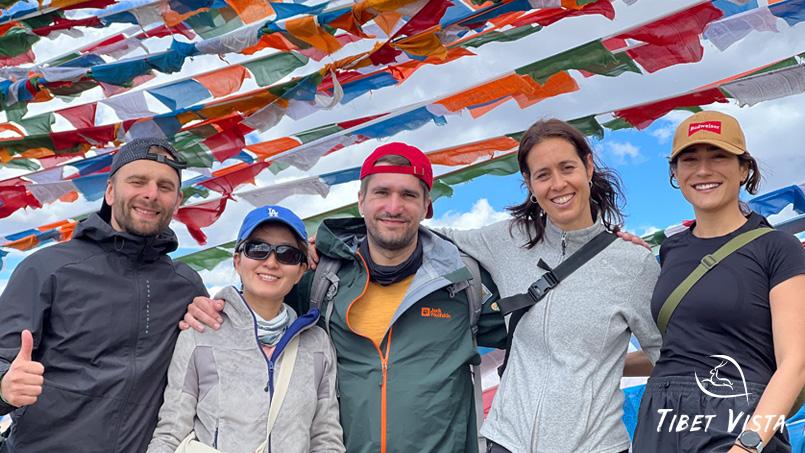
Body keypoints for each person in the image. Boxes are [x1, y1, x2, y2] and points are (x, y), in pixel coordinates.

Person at [184, 142, 507, 453]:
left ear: (426, 206)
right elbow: (258, 310)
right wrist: (211, 310)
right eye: (382, 192)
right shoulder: (319, 280)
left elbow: (538, 339)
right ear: (361, 200)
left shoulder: (463, 284)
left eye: (408, 195)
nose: (393, 207)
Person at [435, 118, 663, 452]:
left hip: (594, 446)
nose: (557, 184)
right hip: (506, 441)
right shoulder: (508, 239)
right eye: (543, 174)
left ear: (588, 167)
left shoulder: (632, 263)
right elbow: (428, 237)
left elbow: (668, 356)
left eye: (567, 167)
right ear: (529, 183)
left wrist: (608, 363)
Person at [0, 138, 208, 452]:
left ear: (177, 201)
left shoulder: (186, 286)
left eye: (165, 186)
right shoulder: (46, 269)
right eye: (137, 181)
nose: (151, 194)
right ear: (110, 191)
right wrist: (3, 387)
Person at [631, 111, 805, 453]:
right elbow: (682, 348)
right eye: (690, 159)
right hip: (660, 422)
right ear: (675, 173)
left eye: (719, 157)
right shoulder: (671, 250)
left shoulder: (777, 248)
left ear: (744, 169)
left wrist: (749, 444)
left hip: (738, 423)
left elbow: (796, 362)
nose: (703, 170)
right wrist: (605, 363)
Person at [148, 205, 344, 452]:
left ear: (300, 271)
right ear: (237, 261)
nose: (271, 262)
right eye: (258, 249)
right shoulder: (200, 334)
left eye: (287, 254)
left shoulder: (317, 343)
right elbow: (170, 433)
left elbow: (326, 438)